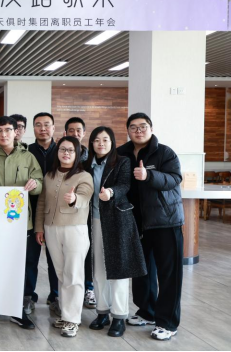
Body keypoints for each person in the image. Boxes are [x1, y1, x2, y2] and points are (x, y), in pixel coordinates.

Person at [117, 113, 184, 342]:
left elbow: (174, 178)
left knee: (169, 274)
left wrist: (149, 175)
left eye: (143, 126)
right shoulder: (122, 153)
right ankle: (146, 311)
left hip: (166, 220)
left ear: (151, 128)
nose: (138, 131)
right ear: (128, 130)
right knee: (141, 270)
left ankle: (167, 322)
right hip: (136, 221)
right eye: (133, 127)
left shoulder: (164, 152)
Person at [0, 116, 43, 331]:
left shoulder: (28, 157)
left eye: (8, 130)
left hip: (21, 223)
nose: (3, 134)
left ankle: (17, 311)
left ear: (16, 132)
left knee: (19, 268)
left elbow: (40, 185)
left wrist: (34, 184)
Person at [84, 127, 147, 338]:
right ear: (91, 143)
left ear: (112, 142)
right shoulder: (86, 165)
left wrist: (111, 192)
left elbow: (125, 185)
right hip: (94, 221)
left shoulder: (122, 161)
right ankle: (102, 312)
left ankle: (119, 316)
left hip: (117, 220)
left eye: (105, 140)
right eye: (97, 140)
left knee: (119, 269)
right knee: (99, 270)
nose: (101, 143)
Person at [35, 136, 94, 338]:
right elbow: (41, 203)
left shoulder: (84, 176)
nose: (66, 153)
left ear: (77, 153)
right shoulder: (49, 175)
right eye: (62, 149)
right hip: (51, 229)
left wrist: (75, 198)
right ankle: (66, 314)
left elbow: (85, 196)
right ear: (57, 152)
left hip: (74, 229)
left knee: (74, 274)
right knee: (61, 274)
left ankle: (72, 319)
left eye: (70, 150)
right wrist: (39, 228)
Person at [26, 112, 60, 317]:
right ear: (33, 129)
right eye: (38, 125)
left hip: (57, 212)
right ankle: (28, 296)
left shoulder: (63, 150)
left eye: (47, 124)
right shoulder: (26, 152)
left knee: (55, 259)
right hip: (31, 211)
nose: (43, 129)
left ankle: (56, 296)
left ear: (54, 128)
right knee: (30, 258)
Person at [65, 117, 94, 309]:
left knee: (87, 252)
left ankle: (89, 288)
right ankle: (64, 294)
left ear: (83, 133)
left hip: (89, 210)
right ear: (65, 132)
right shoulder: (62, 153)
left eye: (78, 130)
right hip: (66, 213)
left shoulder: (91, 157)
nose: (75, 133)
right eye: (71, 130)